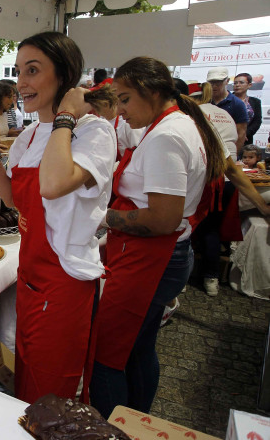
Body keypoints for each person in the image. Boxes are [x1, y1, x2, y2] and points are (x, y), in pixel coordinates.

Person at [0, 32, 117, 404]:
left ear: (64, 75)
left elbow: (53, 185)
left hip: (65, 280)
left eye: (33, 70)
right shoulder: (30, 135)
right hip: (31, 274)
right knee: (28, 379)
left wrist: (67, 115)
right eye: (19, 70)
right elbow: (15, 200)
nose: (21, 82)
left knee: (51, 392)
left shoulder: (94, 132)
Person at [90, 57, 228, 419]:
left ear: (151, 93)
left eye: (124, 99)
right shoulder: (176, 124)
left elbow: (163, 219)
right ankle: (138, 419)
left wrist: (102, 217)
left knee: (106, 355)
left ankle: (112, 427)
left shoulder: (166, 135)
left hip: (154, 257)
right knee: (138, 346)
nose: (120, 110)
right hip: (168, 255)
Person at [182, 80, 270, 297]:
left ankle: (183, 279)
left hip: (205, 183)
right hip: (222, 183)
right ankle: (209, 277)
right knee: (211, 231)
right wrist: (262, 206)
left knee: (186, 232)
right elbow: (236, 152)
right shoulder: (223, 114)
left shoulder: (193, 118)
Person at [207, 67, 248, 151]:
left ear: (227, 81)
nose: (214, 86)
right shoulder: (203, 101)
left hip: (227, 149)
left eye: (218, 82)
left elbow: (241, 133)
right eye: (211, 82)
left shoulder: (237, 104)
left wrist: (233, 155)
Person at [232, 73, 262, 145]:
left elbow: (257, 121)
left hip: (246, 139)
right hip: (228, 138)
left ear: (249, 85)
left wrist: (245, 134)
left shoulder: (255, 101)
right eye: (235, 83)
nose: (237, 85)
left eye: (241, 82)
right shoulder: (227, 100)